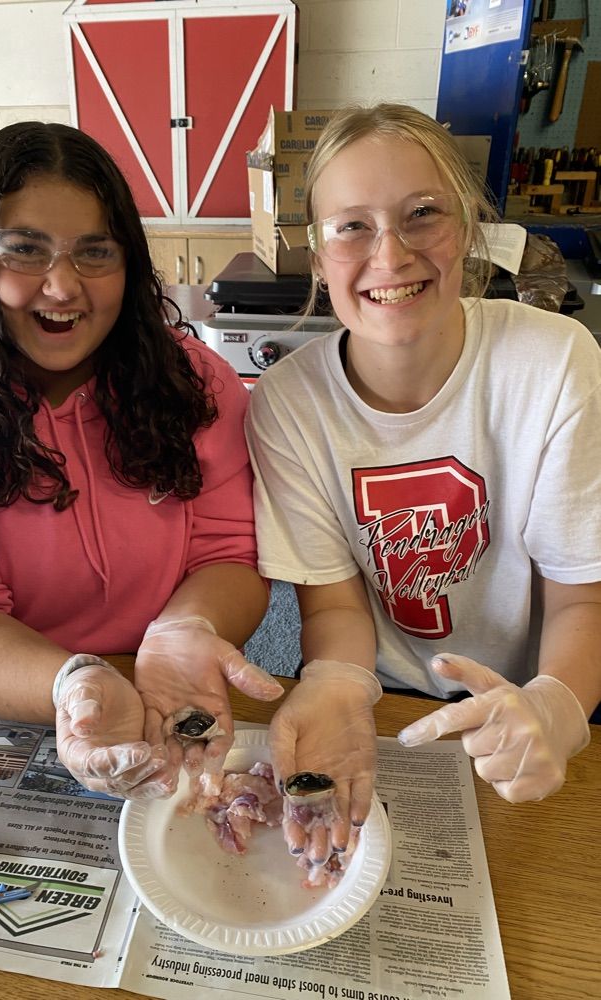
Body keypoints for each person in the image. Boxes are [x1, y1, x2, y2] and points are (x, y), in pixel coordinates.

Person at [0, 121, 283, 800]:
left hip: (179, 679)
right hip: (10, 694)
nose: (62, 287)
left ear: (129, 263)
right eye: (24, 250)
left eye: (94, 252)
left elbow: (230, 551)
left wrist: (184, 634)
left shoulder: (195, 382)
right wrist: (73, 682)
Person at [246, 103, 601, 866]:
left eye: (422, 214)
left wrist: (557, 708)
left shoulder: (555, 362)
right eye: (352, 226)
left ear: (469, 227)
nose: (391, 253)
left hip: (535, 689)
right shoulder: (286, 403)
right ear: (318, 257)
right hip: (393, 703)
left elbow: (582, 595)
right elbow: (336, 602)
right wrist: (336, 685)